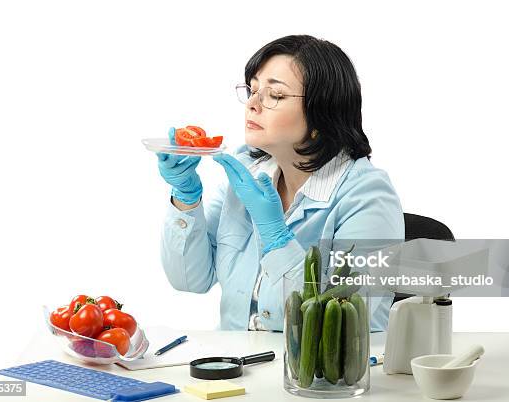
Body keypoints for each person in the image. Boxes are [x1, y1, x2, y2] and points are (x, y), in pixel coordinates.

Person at [156, 35, 404, 332]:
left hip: (320, 377)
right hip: (239, 367)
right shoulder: (247, 173)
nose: (252, 104)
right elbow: (190, 279)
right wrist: (186, 199)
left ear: (321, 113)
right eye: (253, 89)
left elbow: (338, 323)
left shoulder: (368, 196)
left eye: (274, 95)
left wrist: (277, 237)